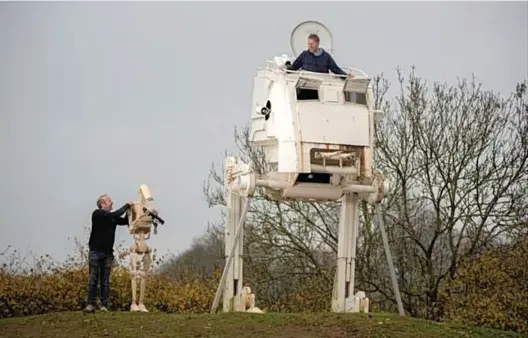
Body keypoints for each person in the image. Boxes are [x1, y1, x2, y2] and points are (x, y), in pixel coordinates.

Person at [84, 194, 133, 313]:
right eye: (109, 201)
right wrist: (127, 206)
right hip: (96, 251)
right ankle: (90, 304)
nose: (112, 202)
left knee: (105, 280)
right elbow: (115, 214)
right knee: (93, 278)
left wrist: (130, 211)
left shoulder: (111, 217)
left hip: (108, 253)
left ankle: (104, 306)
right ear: (102, 204)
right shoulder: (98, 213)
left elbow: (125, 221)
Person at [287, 33, 354, 77]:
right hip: (305, 84)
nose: (310, 46)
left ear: (317, 43)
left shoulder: (326, 57)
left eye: (312, 44)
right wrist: (286, 68)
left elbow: (335, 69)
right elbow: (294, 67)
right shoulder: (304, 55)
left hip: (321, 84)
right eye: (309, 44)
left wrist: (346, 75)